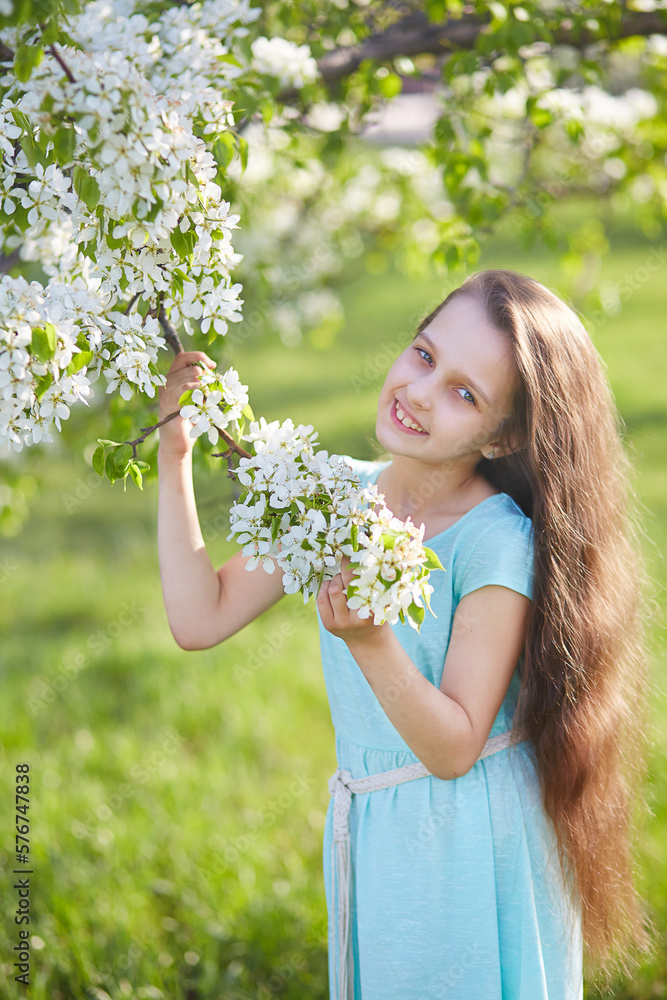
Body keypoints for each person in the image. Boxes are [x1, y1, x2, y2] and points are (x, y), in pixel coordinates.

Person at [157, 268, 652, 1000]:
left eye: (464, 393)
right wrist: (174, 458)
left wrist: (369, 641)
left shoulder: (493, 544)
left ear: (504, 433)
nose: (420, 391)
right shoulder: (334, 497)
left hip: (472, 833)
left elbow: (453, 745)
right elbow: (200, 618)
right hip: (377, 819)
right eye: (423, 354)